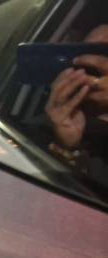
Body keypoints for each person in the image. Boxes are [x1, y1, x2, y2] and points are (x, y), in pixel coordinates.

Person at [45, 25, 108, 159]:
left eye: (105, 54)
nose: (96, 63)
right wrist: (66, 146)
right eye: (88, 52)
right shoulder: (60, 119)